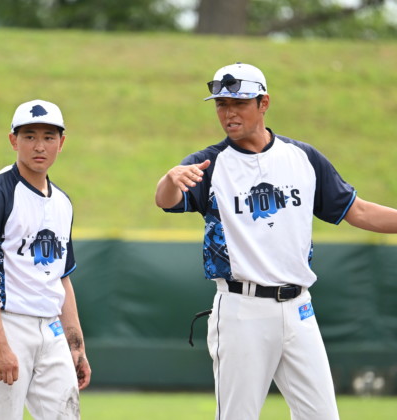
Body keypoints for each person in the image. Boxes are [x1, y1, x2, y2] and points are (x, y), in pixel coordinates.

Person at [155, 62, 397, 420]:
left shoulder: (302, 158)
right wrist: (170, 179)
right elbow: (166, 200)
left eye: (239, 103)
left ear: (264, 103)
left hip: (299, 308)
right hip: (242, 309)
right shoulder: (209, 164)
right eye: (222, 104)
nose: (229, 113)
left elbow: (357, 211)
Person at [0, 99, 91, 420]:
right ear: (13, 140)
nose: (39, 146)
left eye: (49, 137)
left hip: (50, 328)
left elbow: (61, 276)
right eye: (29, 136)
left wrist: (76, 345)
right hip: (6, 321)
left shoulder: (62, 202)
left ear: (61, 143)